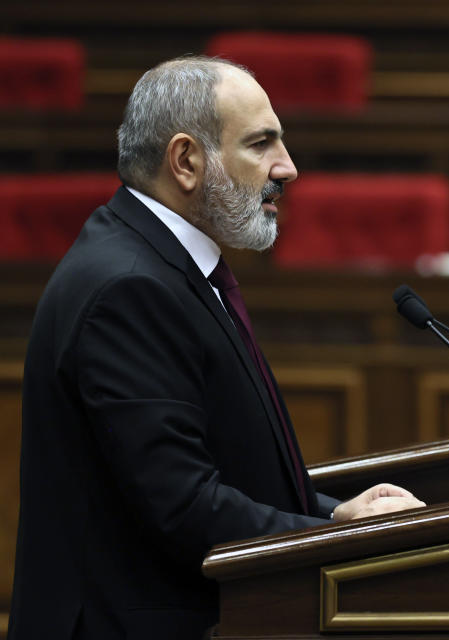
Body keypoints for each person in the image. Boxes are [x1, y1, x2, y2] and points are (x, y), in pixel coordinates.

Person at [9, 55, 425, 640]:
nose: (289, 167)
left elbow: (227, 468)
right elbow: (182, 504)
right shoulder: (128, 287)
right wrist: (332, 536)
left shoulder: (161, 263)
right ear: (186, 161)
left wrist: (334, 512)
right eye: (262, 144)